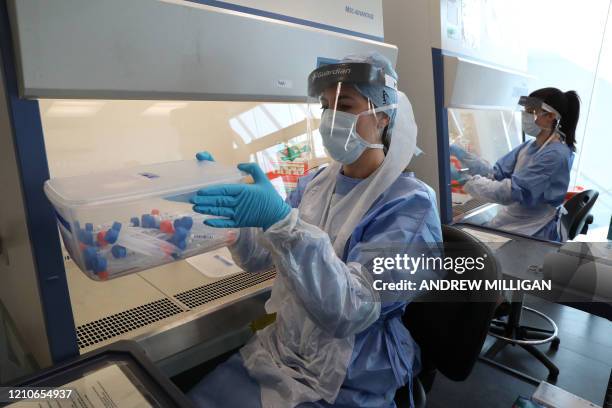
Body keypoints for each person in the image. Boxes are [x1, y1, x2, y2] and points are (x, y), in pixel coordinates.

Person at [187, 53, 442, 407]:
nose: (330, 118)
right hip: (281, 347)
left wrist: (281, 221)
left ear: (383, 115)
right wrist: (238, 216)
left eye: (345, 104)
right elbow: (262, 254)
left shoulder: (411, 206)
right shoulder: (315, 184)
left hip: (351, 370)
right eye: (325, 106)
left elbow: (352, 309)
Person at [461, 88, 580, 241]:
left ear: (550, 116)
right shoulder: (530, 146)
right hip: (514, 220)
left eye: (531, 111)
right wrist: (465, 159)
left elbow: (512, 192)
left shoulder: (556, 155)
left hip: (533, 228)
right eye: (525, 111)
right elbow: (496, 173)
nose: (525, 117)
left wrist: (468, 182)